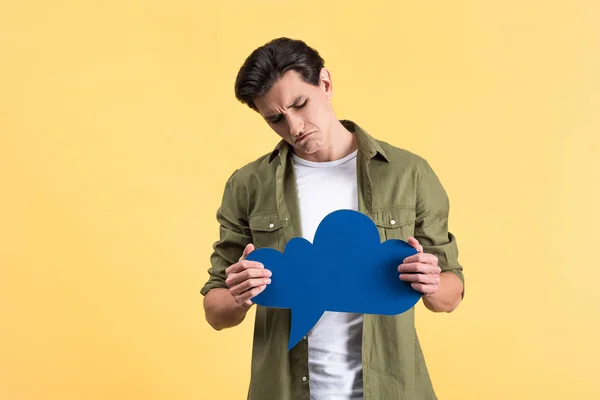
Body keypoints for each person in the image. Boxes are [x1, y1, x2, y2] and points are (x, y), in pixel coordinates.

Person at [201, 37, 464, 400]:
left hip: (392, 387)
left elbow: (450, 295)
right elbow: (216, 312)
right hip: (284, 389)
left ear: (325, 83)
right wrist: (238, 293)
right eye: (275, 119)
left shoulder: (408, 174)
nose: (294, 127)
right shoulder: (248, 185)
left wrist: (431, 281)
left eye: (299, 104)